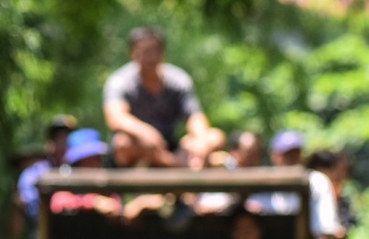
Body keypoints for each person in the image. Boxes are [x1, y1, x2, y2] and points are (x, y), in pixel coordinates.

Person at [103, 26, 223, 169]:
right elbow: (115, 118)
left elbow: (194, 117)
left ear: (163, 53)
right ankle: (178, 165)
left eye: (154, 50)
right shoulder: (121, 80)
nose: (150, 57)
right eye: (144, 51)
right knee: (123, 143)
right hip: (137, 148)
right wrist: (145, 132)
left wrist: (202, 142)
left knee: (215, 136)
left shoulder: (178, 80)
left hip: (168, 145)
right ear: (133, 53)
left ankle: (183, 163)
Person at [15, 115, 78, 222]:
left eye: (67, 138)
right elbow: (29, 206)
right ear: (50, 143)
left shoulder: (79, 169)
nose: (64, 144)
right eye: (59, 137)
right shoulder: (35, 173)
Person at [47, 128, 122, 216]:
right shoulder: (68, 187)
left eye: (96, 159)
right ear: (76, 163)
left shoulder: (105, 189)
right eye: (87, 160)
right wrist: (93, 202)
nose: (94, 164)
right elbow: (58, 204)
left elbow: (117, 206)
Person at [252, 130, 305, 215]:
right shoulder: (262, 181)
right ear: (274, 156)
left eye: (296, 154)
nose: (292, 159)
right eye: (287, 155)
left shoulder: (315, 182)